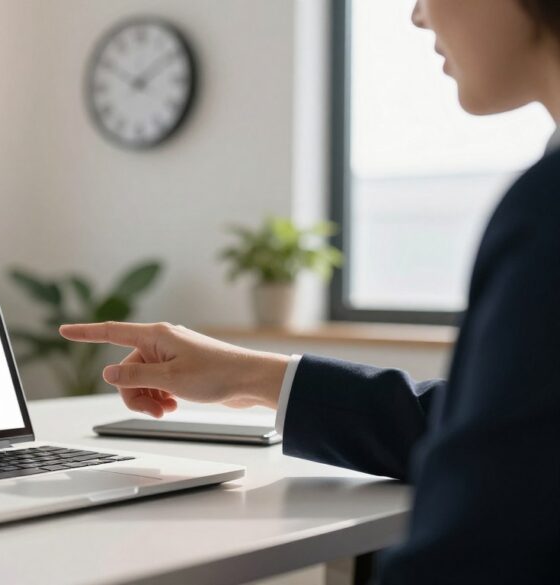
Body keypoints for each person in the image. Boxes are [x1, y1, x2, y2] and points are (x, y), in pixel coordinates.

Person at [59, 1, 560, 583]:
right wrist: (252, 376)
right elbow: (480, 431)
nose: (418, 15)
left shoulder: (547, 207)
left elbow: (485, 541)